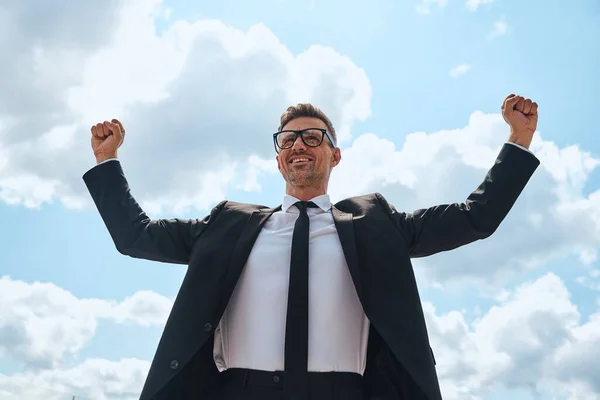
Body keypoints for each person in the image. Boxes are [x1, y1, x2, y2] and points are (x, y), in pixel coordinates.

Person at [83, 94, 540, 400]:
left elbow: (473, 218)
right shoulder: (227, 225)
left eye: (312, 136)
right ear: (278, 156)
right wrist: (107, 162)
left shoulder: (375, 222)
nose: (299, 144)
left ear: (334, 154)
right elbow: (136, 236)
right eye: (287, 139)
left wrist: (517, 141)